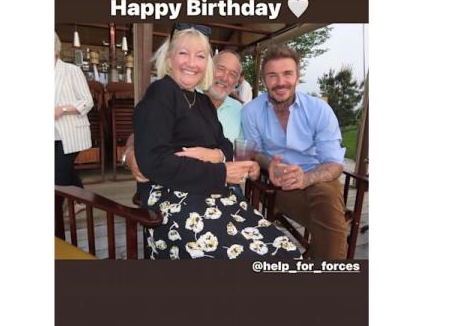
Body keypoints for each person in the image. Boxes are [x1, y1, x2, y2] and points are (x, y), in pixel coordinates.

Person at [132, 25, 301, 259]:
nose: (192, 63)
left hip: (214, 192)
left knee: (285, 250)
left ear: (206, 65)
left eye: (200, 56)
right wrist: (220, 170)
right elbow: (154, 162)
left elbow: (226, 145)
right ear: (169, 59)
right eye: (183, 53)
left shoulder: (202, 102)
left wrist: (214, 155)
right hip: (176, 200)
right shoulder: (161, 92)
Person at [241, 45, 349, 259]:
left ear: (298, 76)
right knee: (330, 221)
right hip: (278, 185)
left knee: (326, 198)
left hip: (317, 177)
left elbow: (334, 163)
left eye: (287, 73)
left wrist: (306, 178)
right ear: (263, 80)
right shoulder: (251, 111)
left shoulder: (319, 110)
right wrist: (269, 164)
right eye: (272, 75)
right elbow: (252, 151)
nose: (280, 82)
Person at [124, 48, 244, 176]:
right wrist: (130, 154)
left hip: (221, 181)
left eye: (232, 74)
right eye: (220, 69)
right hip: (174, 180)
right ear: (208, 69)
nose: (225, 78)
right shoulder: (180, 94)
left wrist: (226, 159)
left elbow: (241, 151)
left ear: (237, 82)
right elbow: (142, 134)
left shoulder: (239, 110)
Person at [54, 33, 93, 187]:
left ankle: (56, 209)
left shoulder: (71, 71)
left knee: (57, 175)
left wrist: (62, 109)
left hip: (70, 132)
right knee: (65, 171)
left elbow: (87, 101)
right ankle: (80, 201)